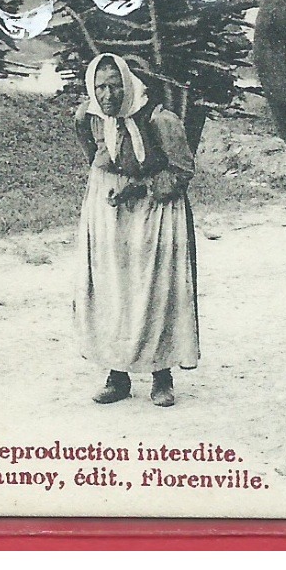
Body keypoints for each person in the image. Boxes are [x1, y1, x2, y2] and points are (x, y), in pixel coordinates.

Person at [73, 53, 198, 408]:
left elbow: (182, 172)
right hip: (109, 209)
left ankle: (161, 375)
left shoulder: (159, 119)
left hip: (154, 211)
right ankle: (118, 375)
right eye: (100, 87)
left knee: (153, 290)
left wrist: (139, 187)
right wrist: (110, 180)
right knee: (113, 288)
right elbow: (94, 154)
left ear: (128, 84)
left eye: (115, 86)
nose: (108, 95)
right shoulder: (91, 117)